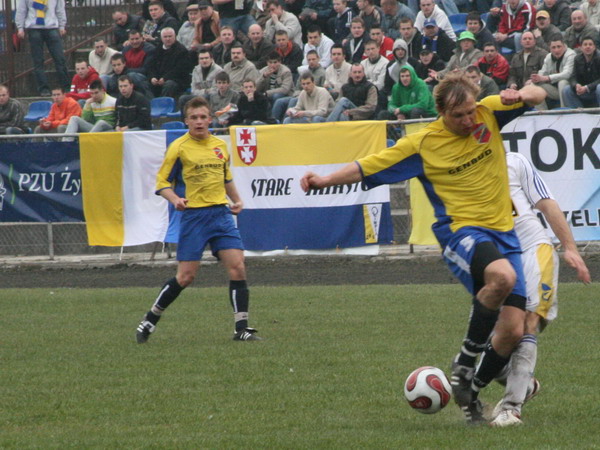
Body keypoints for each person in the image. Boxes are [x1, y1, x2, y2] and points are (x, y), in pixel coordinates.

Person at [301, 72, 547, 424]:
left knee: (512, 330)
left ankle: (469, 390)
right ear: (441, 112)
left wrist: (519, 92)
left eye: (469, 113)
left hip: (504, 235)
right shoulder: (423, 144)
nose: (466, 121)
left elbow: (538, 93)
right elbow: (367, 166)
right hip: (462, 232)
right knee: (502, 278)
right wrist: (323, 179)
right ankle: (464, 362)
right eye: (457, 116)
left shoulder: (489, 113)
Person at [135, 95, 261, 343]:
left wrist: (236, 200)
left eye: (203, 117)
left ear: (210, 119)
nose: (199, 121)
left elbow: (226, 177)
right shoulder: (179, 148)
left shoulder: (220, 146)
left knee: (237, 266)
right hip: (194, 217)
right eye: (194, 118)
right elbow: (162, 184)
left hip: (221, 215)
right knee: (186, 277)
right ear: (186, 121)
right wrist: (175, 200)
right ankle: (150, 319)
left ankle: (241, 329)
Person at [489, 151, 591, 427]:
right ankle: (525, 386)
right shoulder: (458, 173)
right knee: (495, 343)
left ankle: (511, 409)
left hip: (535, 250)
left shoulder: (514, 160)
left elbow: (547, 204)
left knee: (527, 323)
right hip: (499, 263)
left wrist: (570, 248)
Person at [16, 0, 70, 96]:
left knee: (59, 59)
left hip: (51, 27)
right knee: (38, 61)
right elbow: (21, 10)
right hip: (34, 28)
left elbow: (60, 9)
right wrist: (20, 27)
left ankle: (65, 88)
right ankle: (43, 89)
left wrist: (62, 25)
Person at [529, 37, 575, 109]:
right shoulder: (548, 57)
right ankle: (541, 113)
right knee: (534, 85)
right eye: (553, 47)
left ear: (564, 46)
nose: (556, 50)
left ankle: (564, 110)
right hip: (555, 90)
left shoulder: (571, 55)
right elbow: (543, 72)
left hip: (571, 89)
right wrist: (536, 78)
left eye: (559, 47)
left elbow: (567, 74)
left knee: (562, 82)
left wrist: (548, 78)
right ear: (550, 49)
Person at [148, 27, 191, 99]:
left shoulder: (182, 51)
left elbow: (179, 70)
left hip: (176, 80)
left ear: (175, 37)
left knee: (169, 84)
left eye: (170, 36)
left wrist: (165, 78)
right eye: (165, 37)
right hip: (158, 79)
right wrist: (152, 77)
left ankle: (163, 104)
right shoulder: (157, 49)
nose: (168, 39)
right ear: (161, 38)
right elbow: (151, 66)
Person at [562, 37, 600, 108]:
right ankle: (578, 114)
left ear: (594, 47)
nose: (588, 46)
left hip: (595, 90)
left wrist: (587, 87)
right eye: (585, 44)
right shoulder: (577, 59)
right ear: (581, 48)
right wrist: (576, 85)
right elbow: (573, 77)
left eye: (590, 44)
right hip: (583, 91)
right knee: (566, 90)